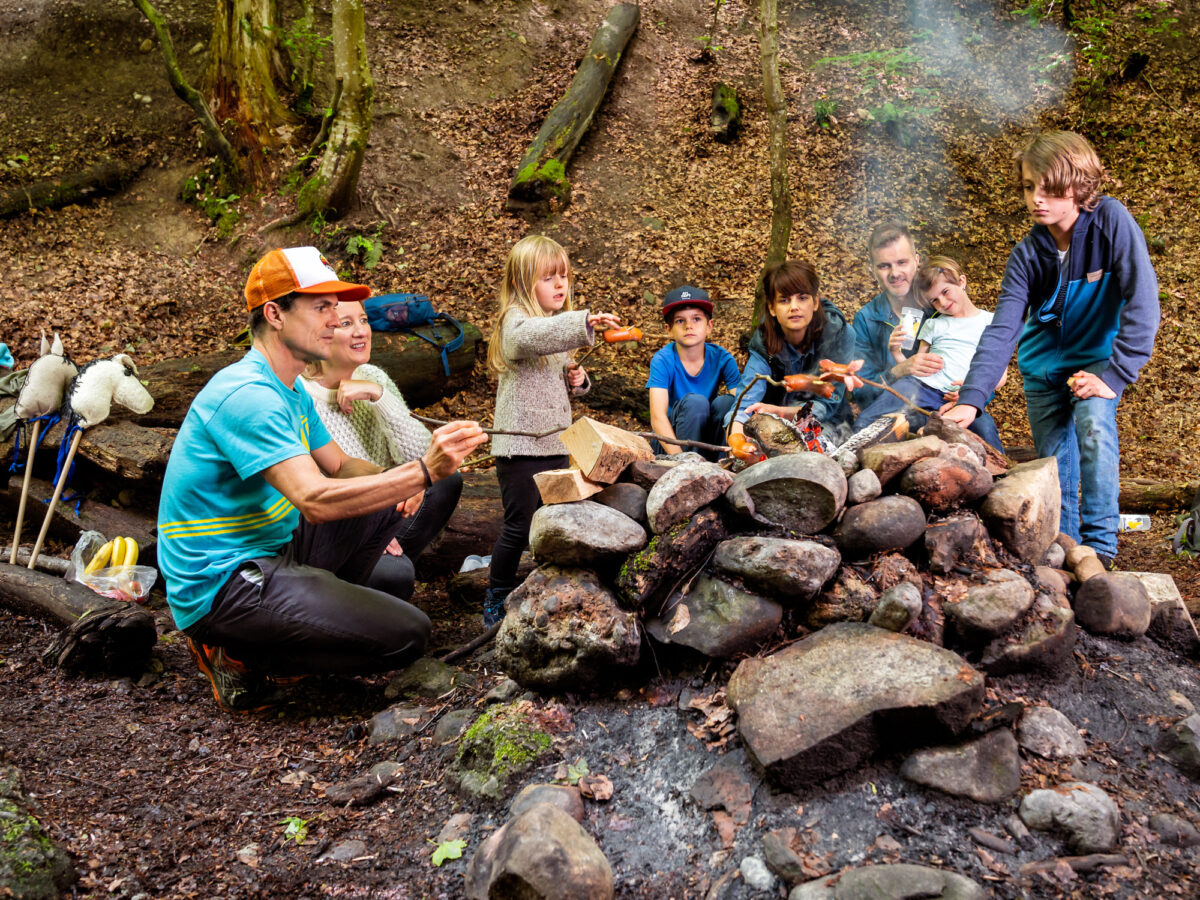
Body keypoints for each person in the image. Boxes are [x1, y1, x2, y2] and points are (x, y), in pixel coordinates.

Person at [157, 246, 487, 713]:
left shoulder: (290, 390)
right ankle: (236, 652)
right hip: (223, 582)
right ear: (275, 314)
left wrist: (402, 481)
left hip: (277, 548)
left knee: (384, 509)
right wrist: (422, 471)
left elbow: (340, 466)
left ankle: (297, 626)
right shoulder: (248, 394)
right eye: (321, 308)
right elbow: (314, 500)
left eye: (336, 307)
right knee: (409, 635)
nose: (335, 320)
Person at [943, 130, 1160, 568]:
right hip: (1042, 370)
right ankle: (1070, 554)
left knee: (1094, 426)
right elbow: (1003, 330)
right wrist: (972, 397)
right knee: (1055, 467)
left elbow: (1143, 300)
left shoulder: (1110, 222)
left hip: (1096, 363)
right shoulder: (1026, 256)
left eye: (1049, 188)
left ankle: (1102, 550)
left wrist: (1115, 375)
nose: (1036, 199)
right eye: (1028, 187)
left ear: (1078, 185)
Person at [484, 235, 621, 627]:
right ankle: (495, 595)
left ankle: (542, 587)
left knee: (551, 523)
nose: (560, 284)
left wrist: (577, 379)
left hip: (554, 442)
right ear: (523, 284)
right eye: (548, 278)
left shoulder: (551, 326)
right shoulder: (515, 321)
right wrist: (583, 322)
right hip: (520, 447)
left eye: (563, 276)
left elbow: (558, 373)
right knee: (519, 526)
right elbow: (529, 339)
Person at [299, 299, 463, 601]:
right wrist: (371, 523)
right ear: (322, 332)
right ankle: (365, 585)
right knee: (394, 575)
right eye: (346, 323)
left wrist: (379, 396)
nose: (361, 331)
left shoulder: (373, 376)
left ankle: (380, 573)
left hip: (383, 502)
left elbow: (423, 456)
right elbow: (319, 492)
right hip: (337, 525)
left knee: (445, 480)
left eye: (364, 320)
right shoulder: (301, 395)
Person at [854, 256, 1005, 449]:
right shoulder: (934, 324)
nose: (943, 302)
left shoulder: (991, 322)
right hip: (920, 387)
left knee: (984, 429)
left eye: (945, 292)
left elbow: (1001, 374)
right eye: (935, 300)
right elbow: (919, 362)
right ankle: (849, 451)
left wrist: (974, 391)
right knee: (870, 417)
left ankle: (1002, 467)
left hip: (961, 396)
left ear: (962, 282)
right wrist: (896, 352)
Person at [728, 259, 855, 441]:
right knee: (724, 406)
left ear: (815, 302)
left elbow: (828, 404)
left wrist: (780, 412)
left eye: (802, 298)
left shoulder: (838, 334)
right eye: (784, 300)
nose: (794, 307)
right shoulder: (764, 342)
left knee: (814, 441)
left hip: (828, 422)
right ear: (772, 308)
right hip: (772, 420)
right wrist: (736, 441)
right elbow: (744, 405)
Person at [646, 285, 741, 460]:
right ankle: (690, 464)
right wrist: (681, 461)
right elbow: (658, 417)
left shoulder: (722, 358)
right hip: (670, 443)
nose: (689, 326)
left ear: (709, 326)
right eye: (680, 321)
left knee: (728, 403)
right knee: (695, 403)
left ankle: (725, 462)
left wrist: (739, 447)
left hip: (706, 441)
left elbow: (741, 406)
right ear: (668, 329)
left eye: (696, 319)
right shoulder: (663, 360)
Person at [851, 222, 937, 409]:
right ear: (873, 270)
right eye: (884, 266)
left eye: (901, 262)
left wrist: (965, 396)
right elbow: (861, 393)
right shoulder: (866, 320)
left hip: (945, 407)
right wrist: (898, 371)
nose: (895, 273)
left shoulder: (940, 307)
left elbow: (978, 370)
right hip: (889, 411)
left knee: (983, 425)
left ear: (916, 261)